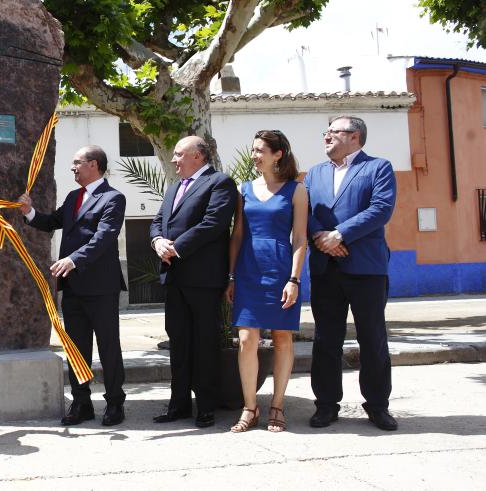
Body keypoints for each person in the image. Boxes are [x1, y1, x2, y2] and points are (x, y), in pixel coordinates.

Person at [18, 144, 128, 426]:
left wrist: (73, 259)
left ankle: (115, 403)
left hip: (101, 287)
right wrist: (29, 212)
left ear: (94, 164)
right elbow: (51, 221)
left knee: (108, 347)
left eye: (77, 163)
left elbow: (103, 238)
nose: (73, 168)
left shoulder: (113, 198)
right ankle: (82, 404)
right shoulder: (73, 197)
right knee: (76, 349)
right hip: (74, 288)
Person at [305, 116, 398, 431]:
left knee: (372, 339)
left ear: (355, 136)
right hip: (324, 269)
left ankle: (377, 406)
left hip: (366, 269)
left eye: (333, 132)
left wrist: (339, 234)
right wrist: (321, 238)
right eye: (326, 132)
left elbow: (381, 208)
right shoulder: (315, 173)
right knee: (325, 340)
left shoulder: (378, 168)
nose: (326, 137)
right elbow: (304, 211)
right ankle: (326, 405)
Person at [150, 135, 238, 428]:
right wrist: (158, 241)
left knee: (204, 343)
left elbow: (213, 223)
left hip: (202, 279)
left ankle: (206, 406)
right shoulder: (174, 186)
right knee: (179, 343)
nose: (174, 160)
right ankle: (179, 405)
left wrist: (176, 247)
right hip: (174, 277)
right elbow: (157, 221)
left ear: (198, 156)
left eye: (178, 154)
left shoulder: (219, 183)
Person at [225, 130, 308, 433]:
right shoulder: (243, 189)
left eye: (260, 150)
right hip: (248, 270)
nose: (254, 155)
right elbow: (237, 236)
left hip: (281, 270)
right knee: (247, 340)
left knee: (282, 338)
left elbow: (300, 238)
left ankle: (277, 406)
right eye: (253, 149)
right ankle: (250, 407)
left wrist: (294, 279)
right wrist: (232, 275)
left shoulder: (296, 190)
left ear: (278, 154)